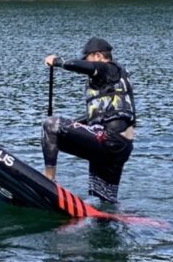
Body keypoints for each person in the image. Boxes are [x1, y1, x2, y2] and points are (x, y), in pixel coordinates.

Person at [41, 37, 136, 203]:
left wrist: (56, 61)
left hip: (109, 139)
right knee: (105, 199)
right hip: (120, 147)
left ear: (98, 56)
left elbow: (82, 66)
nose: (86, 62)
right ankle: (111, 219)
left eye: (88, 58)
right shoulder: (114, 80)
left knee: (51, 124)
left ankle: (48, 179)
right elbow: (99, 116)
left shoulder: (109, 69)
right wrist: (73, 124)